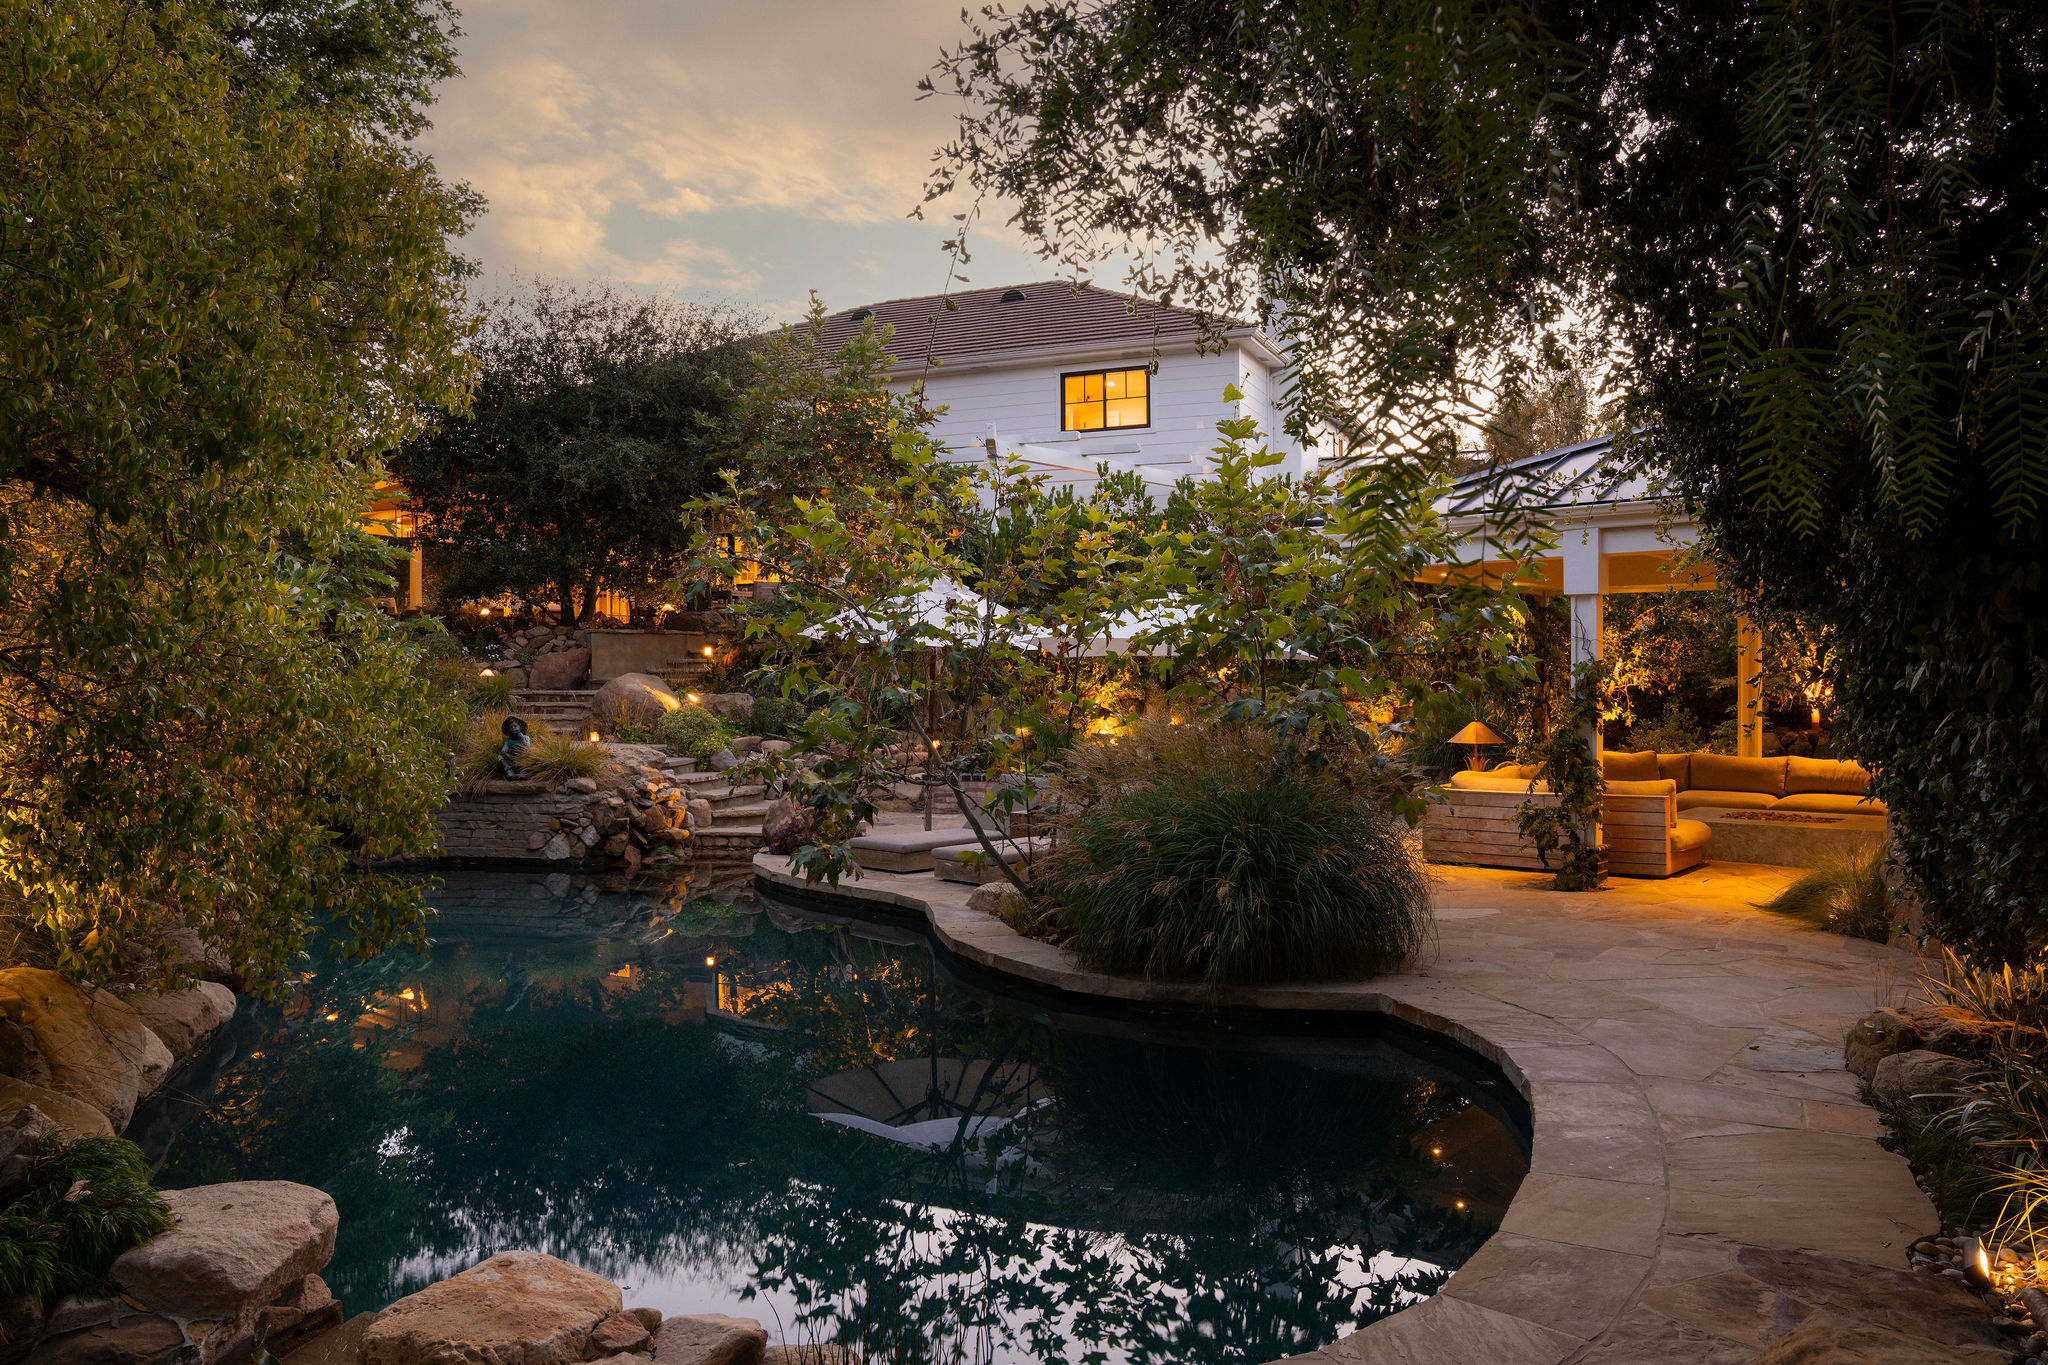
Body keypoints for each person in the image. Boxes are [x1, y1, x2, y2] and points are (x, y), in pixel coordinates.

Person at [499, 715, 533, 779]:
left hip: (522, 757)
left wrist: (522, 738)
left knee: (527, 760)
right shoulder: (509, 740)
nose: (513, 729)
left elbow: (528, 749)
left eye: (515, 726)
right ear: (508, 730)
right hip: (512, 758)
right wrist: (509, 756)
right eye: (511, 727)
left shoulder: (526, 738)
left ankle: (523, 773)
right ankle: (510, 772)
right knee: (500, 757)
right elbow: (503, 751)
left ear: (520, 727)